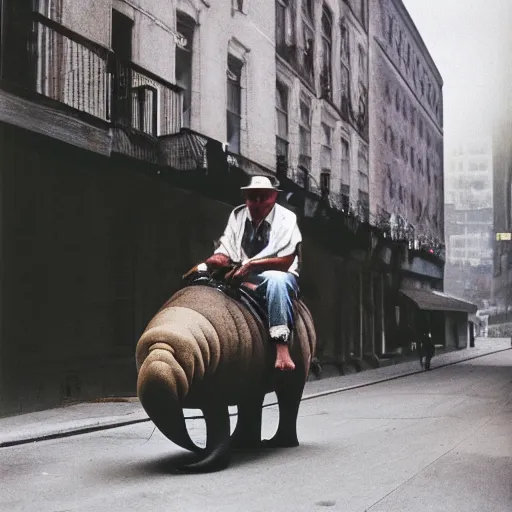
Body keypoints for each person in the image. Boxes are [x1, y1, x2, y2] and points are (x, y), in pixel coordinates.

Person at [193, 176, 302, 371]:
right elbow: (227, 248)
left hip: (280, 275)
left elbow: (286, 261)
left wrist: (251, 266)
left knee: (276, 280)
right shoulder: (238, 215)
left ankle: (281, 348)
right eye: (253, 198)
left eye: (263, 197)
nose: (258, 202)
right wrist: (216, 259)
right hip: (243, 274)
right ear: (246, 198)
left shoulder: (287, 218)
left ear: (273, 197)